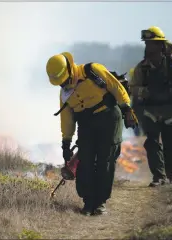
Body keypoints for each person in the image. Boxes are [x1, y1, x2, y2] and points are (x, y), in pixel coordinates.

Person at [46, 52, 138, 215]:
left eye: (65, 81)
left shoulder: (92, 70)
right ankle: (88, 202)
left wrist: (128, 109)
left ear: (69, 70)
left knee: (105, 161)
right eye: (60, 83)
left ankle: (100, 203)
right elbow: (67, 119)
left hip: (109, 117)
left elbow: (116, 87)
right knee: (85, 162)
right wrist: (66, 143)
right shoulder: (64, 92)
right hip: (86, 124)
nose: (64, 85)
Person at [129, 26, 172, 187]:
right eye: (147, 43)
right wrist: (144, 91)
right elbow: (133, 87)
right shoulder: (142, 68)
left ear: (161, 46)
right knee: (152, 143)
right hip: (150, 113)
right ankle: (159, 177)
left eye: (152, 43)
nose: (148, 47)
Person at [129, 68, 145, 137]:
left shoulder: (132, 84)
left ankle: (139, 138)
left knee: (139, 125)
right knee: (140, 125)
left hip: (139, 107)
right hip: (138, 107)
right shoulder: (132, 85)